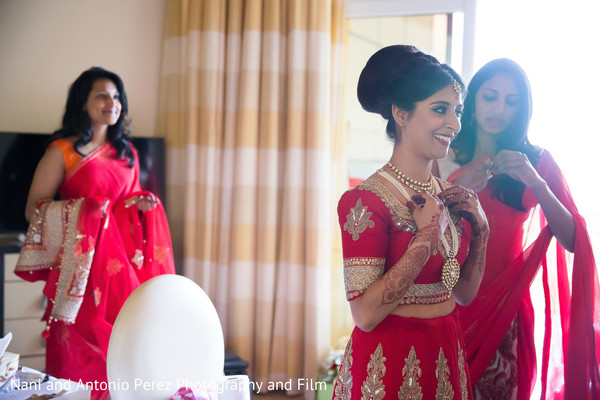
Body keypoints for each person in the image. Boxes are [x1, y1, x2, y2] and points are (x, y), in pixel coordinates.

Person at [437, 58, 600, 399]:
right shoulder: (442, 153)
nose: (499, 108)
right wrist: (455, 184)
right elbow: (414, 228)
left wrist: (537, 183)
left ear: (522, 108)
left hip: (503, 311)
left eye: (511, 102)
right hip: (442, 303)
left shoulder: (535, 161)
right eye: (490, 96)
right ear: (472, 99)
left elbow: (573, 240)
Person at [332, 45, 489, 399]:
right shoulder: (365, 200)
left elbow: (463, 295)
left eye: (457, 111)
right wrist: (426, 238)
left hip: (446, 352)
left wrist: (480, 230)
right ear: (401, 114)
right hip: (389, 360)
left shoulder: (450, 196)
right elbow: (366, 314)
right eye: (439, 110)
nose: (455, 123)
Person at [14, 67, 176, 399]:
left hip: (119, 273)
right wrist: (86, 211)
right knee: (76, 358)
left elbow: (125, 206)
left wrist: (142, 205)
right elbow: (34, 208)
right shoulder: (62, 151)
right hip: (78, 274)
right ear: (82, 102)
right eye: (101, 95)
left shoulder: (127, 154)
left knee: (121, 351)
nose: (111, 103)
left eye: (117, 97)